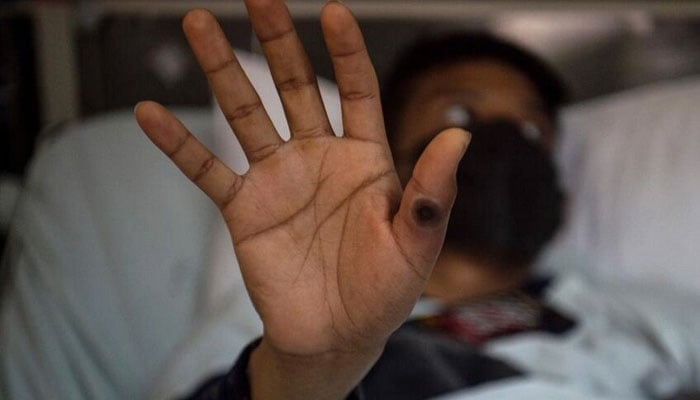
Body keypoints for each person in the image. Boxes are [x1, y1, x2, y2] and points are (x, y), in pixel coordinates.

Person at [137, 2, 700, 400]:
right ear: (393, 161)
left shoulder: (629, 314)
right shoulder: (281, 325)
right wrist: (304, 376)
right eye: (460, 115)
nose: (501, 141)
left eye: (531, 131)